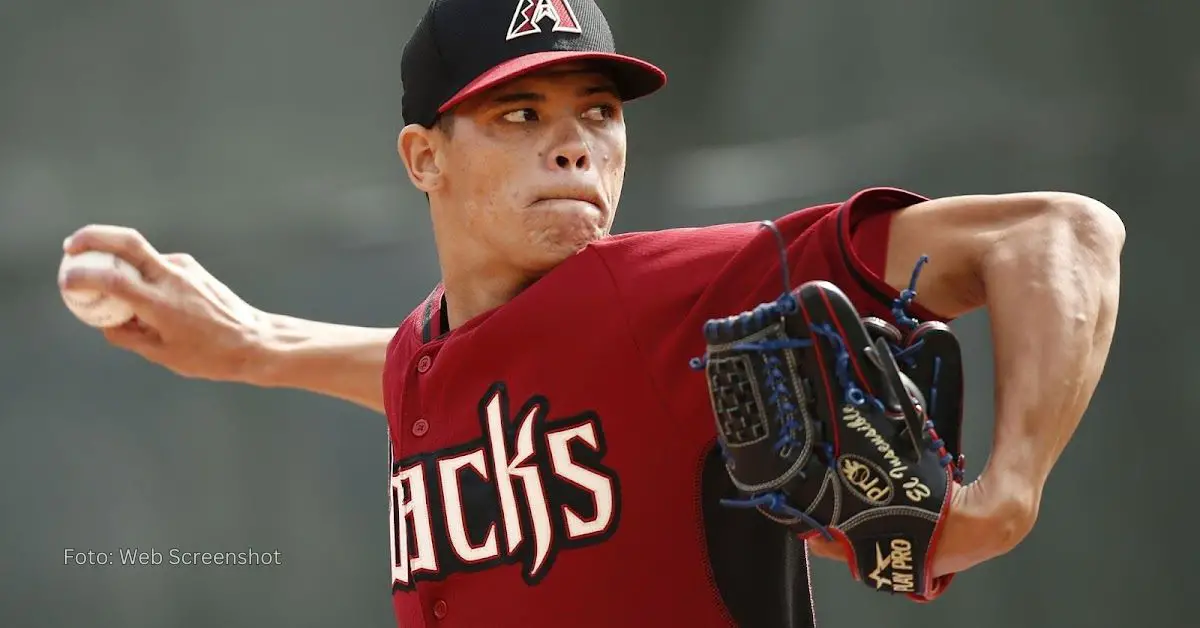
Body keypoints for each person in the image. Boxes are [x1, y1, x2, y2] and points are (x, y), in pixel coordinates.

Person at [58, 0, 1125, 626]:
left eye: (598, 114)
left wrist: (1009, 494)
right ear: (423, 157)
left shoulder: (679, 291)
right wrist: (253, 345)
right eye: (520, 113)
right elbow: (448, 370)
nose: (574, 145)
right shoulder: (436, 352)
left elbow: (1058, 236)